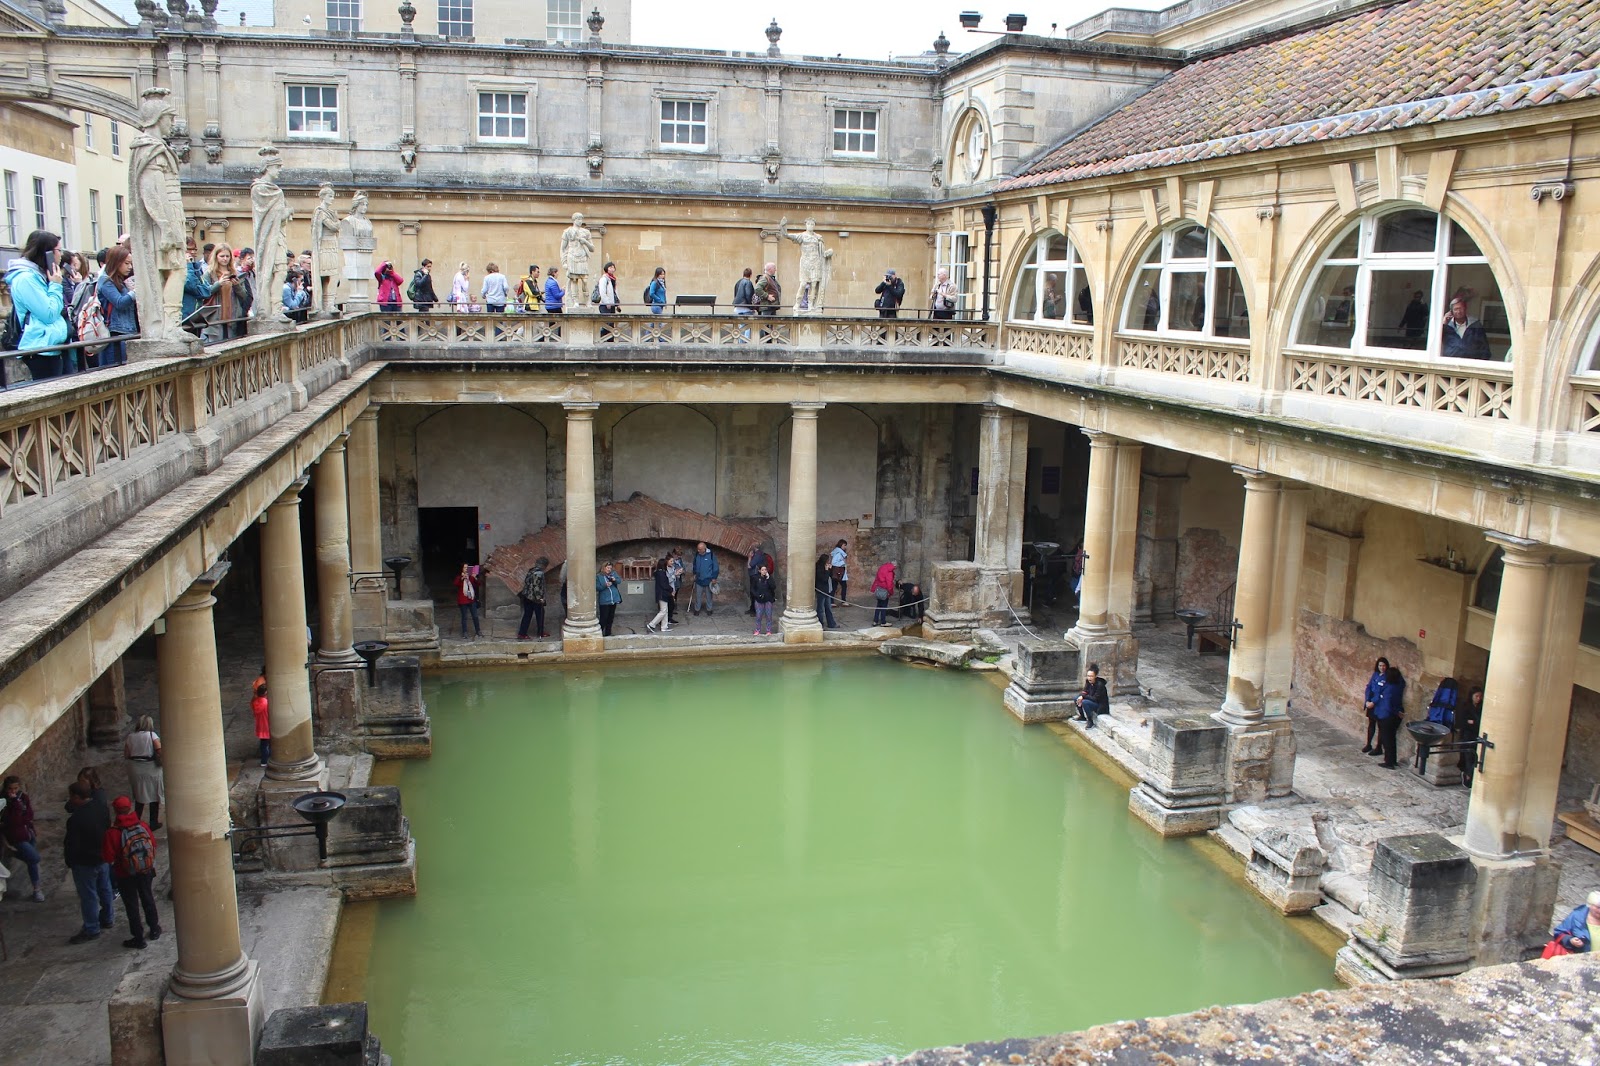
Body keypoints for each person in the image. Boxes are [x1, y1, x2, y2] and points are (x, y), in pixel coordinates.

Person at [4, 229, 68, 378]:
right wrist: (56, 285)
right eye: (58, 250)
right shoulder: (26, 279)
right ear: (47, 253)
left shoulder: (39, 276)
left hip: (51, 346)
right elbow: (49, 313)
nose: (61, 255)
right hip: (39, 349)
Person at [103, 795, 160, 950]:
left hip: (125, 874)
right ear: (130, 808)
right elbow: (153, 844)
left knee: (131, 905)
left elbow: (108, 857)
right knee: (147, 898)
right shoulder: (142, 825)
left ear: (115, 811)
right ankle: (154, 929)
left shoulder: (112, 833)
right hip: (145, 871)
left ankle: (138, 938)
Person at [64, 780, 115, 944]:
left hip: (85, 862)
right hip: (102, 857)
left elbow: (73, 844)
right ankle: (108, 918)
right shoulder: (101, 808)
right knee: (105, 889)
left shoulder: (76, 819)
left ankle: (92, 928)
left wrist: (71, 861)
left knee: (89, 896)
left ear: (76, 797)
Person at [1, 776, 46, 902]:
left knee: (32, 862)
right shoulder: (4, 801)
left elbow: (29, 815)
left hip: (28, 833)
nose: (13, 791)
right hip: (16, 837)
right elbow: (14, 821)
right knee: (34, 858)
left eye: (15, 788)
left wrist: (23, 820)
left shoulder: (23, 797)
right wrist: (15, 804)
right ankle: (12, 853)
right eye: (10, 789)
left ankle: (37, 889)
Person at [96, 243, 138, 368]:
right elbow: (119, 302)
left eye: (131, 263)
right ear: (116, 262)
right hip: (115, 333)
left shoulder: (120, 280)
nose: (130, 267)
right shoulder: (105, 281)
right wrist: (134, 292)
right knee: (115, 368)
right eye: (126, 263)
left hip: (128, 331)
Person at [123, 714, 164, 828]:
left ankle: (136, 820)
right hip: (151, 768)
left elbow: (126, 754)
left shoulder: (130, 736)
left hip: (135, 768)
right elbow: (159, 750)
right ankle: (153, 822)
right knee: (154, 796)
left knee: (139, 795)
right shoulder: (152, 735)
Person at [200, 244, 239, 345]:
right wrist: (218, 284)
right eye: (222, 256)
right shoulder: (209, 273)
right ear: (216, 256)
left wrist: (237, 285)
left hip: (232, 318)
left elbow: (244, 296)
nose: (225, 259)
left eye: (227, 256)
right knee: (216, 346)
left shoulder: (235, 272)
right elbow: (204, 293)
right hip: (214, 319)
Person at [1372, 663, 1406, 769]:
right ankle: (1393, 760)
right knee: (1392, 738)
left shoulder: (1389, 688)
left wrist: (1396, 712)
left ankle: (1389, 762)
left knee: (1387, 740)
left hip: (1387, 716)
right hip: (1395, 716)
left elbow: (1388, 704)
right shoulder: (1399, 685)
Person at [1441, 295, 1491, 359]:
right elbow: (1436, 343)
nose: (1459, 311)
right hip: (1451, 362)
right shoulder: (1447, 327)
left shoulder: (1475, 326)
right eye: (1456, 309)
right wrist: (1444, 323)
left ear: (1465, 309)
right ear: (1451, 312)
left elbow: (1485, 349)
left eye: (1460, 308)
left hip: (1471, 362)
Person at [1361, 656, 1390, 755]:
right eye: (1380, 665)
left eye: (1384, 665)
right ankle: (1368, 744)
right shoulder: (1375, 675)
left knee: (1380, 726)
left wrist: (1373, 702)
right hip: (1371, 702)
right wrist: (1367, 701)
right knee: (1371, 724)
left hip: (1379, 704)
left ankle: (1379, 747)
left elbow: (1383, 692)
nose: (1382, 667)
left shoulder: (1387, 677)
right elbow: (1369, 687)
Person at [517, 557, 548, 641]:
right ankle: (540, 632)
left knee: (527, 615)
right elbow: (536, 587)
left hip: (527, 596)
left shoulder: (531, 571)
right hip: (534, 598)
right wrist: (540, 598)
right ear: (544, 565)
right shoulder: (539, 573)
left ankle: (522, 633)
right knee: (540, 614)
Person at [1458, 685, 1484, 785]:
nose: (1478, 699)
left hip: (1476, 735)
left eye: (1480, 696)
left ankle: (1471, 776)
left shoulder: (1481, 707)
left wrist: (1473, 722)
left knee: (1475, 758)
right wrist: (1470, 722)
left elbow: (1478, 722)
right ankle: (1467, 776)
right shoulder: (1465, 706)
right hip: (1467, 735)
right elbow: (1462, 722)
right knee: (1468, 757)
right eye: (1476, 696)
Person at [1074, 663, 1109, 729]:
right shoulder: (1088, 682)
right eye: (1088, 676)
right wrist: (1082, 696)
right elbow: (1085, 691)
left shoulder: (1100, 685)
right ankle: (1082, 716)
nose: (1089, 678)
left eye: (1091, 676)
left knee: (1084, 702)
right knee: (1076, 698)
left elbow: (1095, 698)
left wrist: (1083, 697)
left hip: (1100, 706)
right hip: (1092, 701)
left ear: (1095, 676)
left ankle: (1090, 721)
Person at [453, 562, 481, 639]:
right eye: (465, 567)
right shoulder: (459, 577)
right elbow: (455, 583)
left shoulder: (471, 577)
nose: (466, 569)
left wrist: (475, 577)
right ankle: (465, 632)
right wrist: (462, 578)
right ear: (462, 569)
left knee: (475, 616)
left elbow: (478, 584)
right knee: (464, 617)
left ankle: (478, 630)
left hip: (471, 600)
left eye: (467, 568)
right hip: (463, 601)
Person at [233, 246, 257, 336]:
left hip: (254, 303)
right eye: (249, 258)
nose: (252, 260)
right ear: (242, 259)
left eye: (253, 258)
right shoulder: (238, 273)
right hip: (244, 306)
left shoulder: (252, 273)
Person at [691, 542, 719, 616]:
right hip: (699, 579)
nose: (698, 551)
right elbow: (694, 564)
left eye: (700, 549)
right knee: (698, 596)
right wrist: (694, 573)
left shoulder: (711, 555)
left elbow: (715, 567)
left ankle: (709, 609)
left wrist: (714, 577)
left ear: (704, 549)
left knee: (709, 596)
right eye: (698, 549)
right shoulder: (697, 554)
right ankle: (697, 609)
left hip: (708, 579)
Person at [647, 557, 673, 634]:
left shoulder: (659, 573)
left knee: (665, 610)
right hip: (662, 594)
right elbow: (664, 585)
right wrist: (671, 589)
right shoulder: (661, 574)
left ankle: (664, 627)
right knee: (663, 611)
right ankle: (652, 624)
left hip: (661, 594)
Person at [595, 562, 621, 636]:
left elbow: (619, 581)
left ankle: (608, 633)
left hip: (614, 599)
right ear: (603, 568)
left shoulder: (613, 574)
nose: (609, 569)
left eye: (610, 568)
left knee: (610, 618)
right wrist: (605, 585)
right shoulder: (598, 576)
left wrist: (614, 579)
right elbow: (597, 587)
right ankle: (599, 633)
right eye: (607, 568)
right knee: (604, 618)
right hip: (604, 600)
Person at [814, 552, 838, 629]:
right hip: (821, 590)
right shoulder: (818, 568)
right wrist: (827, 570)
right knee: (820, 609)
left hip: (827, 590)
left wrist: (830, 569)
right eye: (828, 561)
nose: (829, 562)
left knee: (828, 608)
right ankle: (820, 624)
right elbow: (824, 579)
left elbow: (831, 576)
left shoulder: (826, 567)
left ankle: (831, 623)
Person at [751, 564, 776, 636]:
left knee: (768, 615)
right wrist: (757, 595)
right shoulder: (755, 578)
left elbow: (773, 587)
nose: (764, 571)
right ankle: (757, 630)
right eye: (762, 570)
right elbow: (752, 589)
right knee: (759, 616)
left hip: (768, 599)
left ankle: (768, 630)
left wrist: (768, 578)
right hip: (759, 599)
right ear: (759, 571)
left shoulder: (769, 578)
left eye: (765, 570)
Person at [746, 544, 771, 616]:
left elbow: (750, 565)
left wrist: (749, 557)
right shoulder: (758, 554)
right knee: (752, 593)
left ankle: (755, 610)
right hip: (755, 575)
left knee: (754, 593)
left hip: (755, 576)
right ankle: (752, 609)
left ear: (754, 546)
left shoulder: (758, 554)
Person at [871, 560, 898, 625]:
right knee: (884, 606)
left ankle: (875, 621)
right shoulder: (889, 572)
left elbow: (877, 578)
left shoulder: (882, 567)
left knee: (878, 605)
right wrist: (890, 592)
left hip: (878, 588)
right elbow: (889, 583)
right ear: (894, 565)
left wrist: (874, 588)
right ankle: (883, 622)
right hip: (884, 590)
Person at [252, 681, 271, 767]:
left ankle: (264, 761)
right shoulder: (266, 703)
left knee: (263, 744)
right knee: (268, 745)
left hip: (260, 726)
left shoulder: (256, 701)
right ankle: (267, 759)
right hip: (267, 725)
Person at [666, 548, 686, 624]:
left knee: (674, 597)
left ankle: (670, 615)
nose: (679, 557)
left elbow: (683, 568)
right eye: (677, 555)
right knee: (671, 600)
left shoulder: (679, 561)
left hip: (677, 582)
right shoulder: (669, 564)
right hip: (672, 584)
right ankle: (668, 617)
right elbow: (669, 577)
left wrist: (681, 571)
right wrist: (676, 573)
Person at [829, 539, 849, 607]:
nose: (845, 547)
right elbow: (834, 562)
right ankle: (843, 601)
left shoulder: (837, 552)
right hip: (839, 573)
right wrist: (843, 562)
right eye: (844, 545)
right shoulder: (839, 553)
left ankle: (832, 601)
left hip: (837, 572)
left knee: (834, 586)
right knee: (843, 586)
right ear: (841, 545)